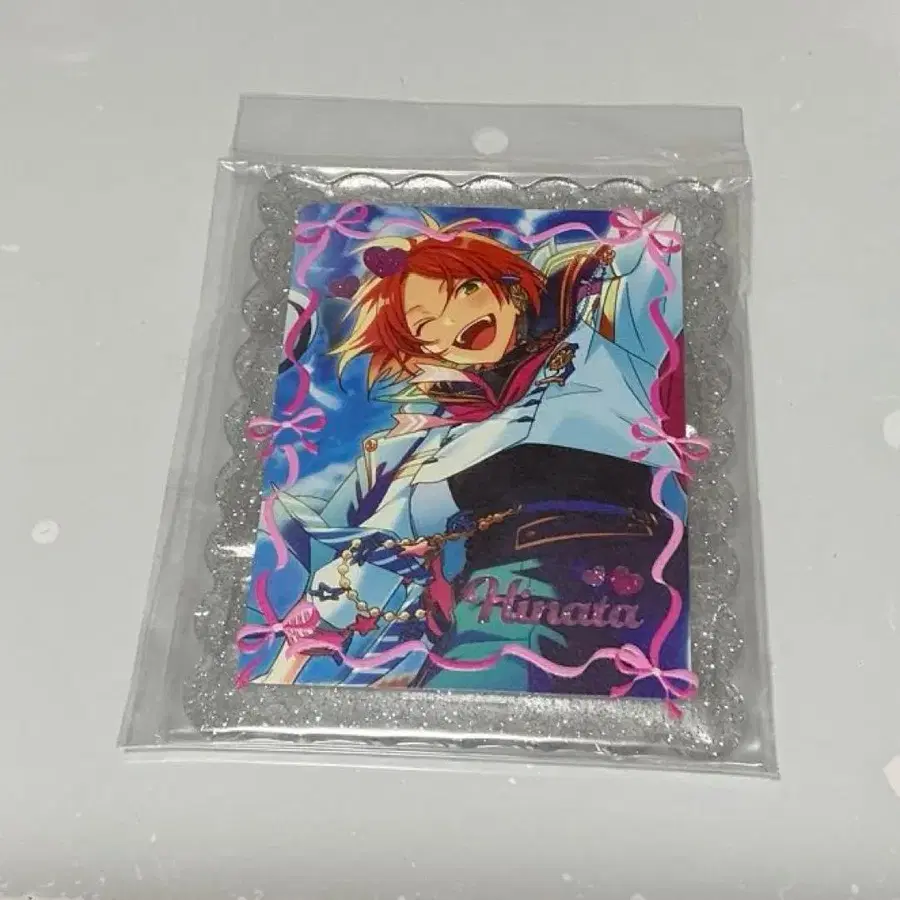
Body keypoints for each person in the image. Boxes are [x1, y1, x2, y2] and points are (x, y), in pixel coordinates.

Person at [262, 212, 688, 695]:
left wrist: (648, 229)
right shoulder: (443, 445)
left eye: (466, 290)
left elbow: (660, 265)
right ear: (425, 354)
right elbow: (383, 542)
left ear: (509, 288)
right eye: (427, 325)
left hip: (640, 568)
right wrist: (298, 650)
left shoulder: (602, 337)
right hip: (505, 600)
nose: (456, 321)